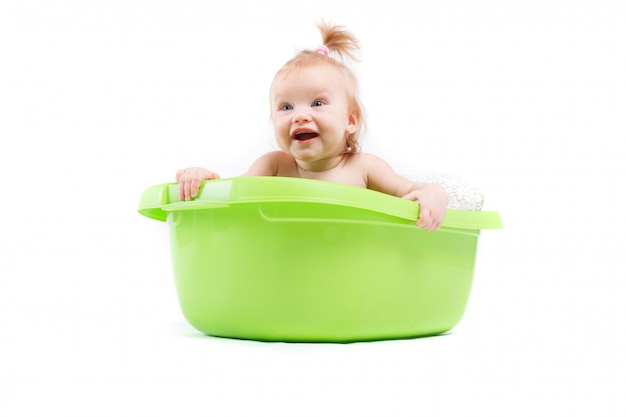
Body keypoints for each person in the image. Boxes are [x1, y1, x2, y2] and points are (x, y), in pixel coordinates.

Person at [176, 21, 448, 231]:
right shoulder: (274, 166)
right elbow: (231, 199)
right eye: (286, 107)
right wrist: (205, 181)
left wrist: (434, 194)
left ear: (350, 121)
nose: (299, 116)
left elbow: (414, 192)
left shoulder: (364, 168)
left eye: (317, 103)